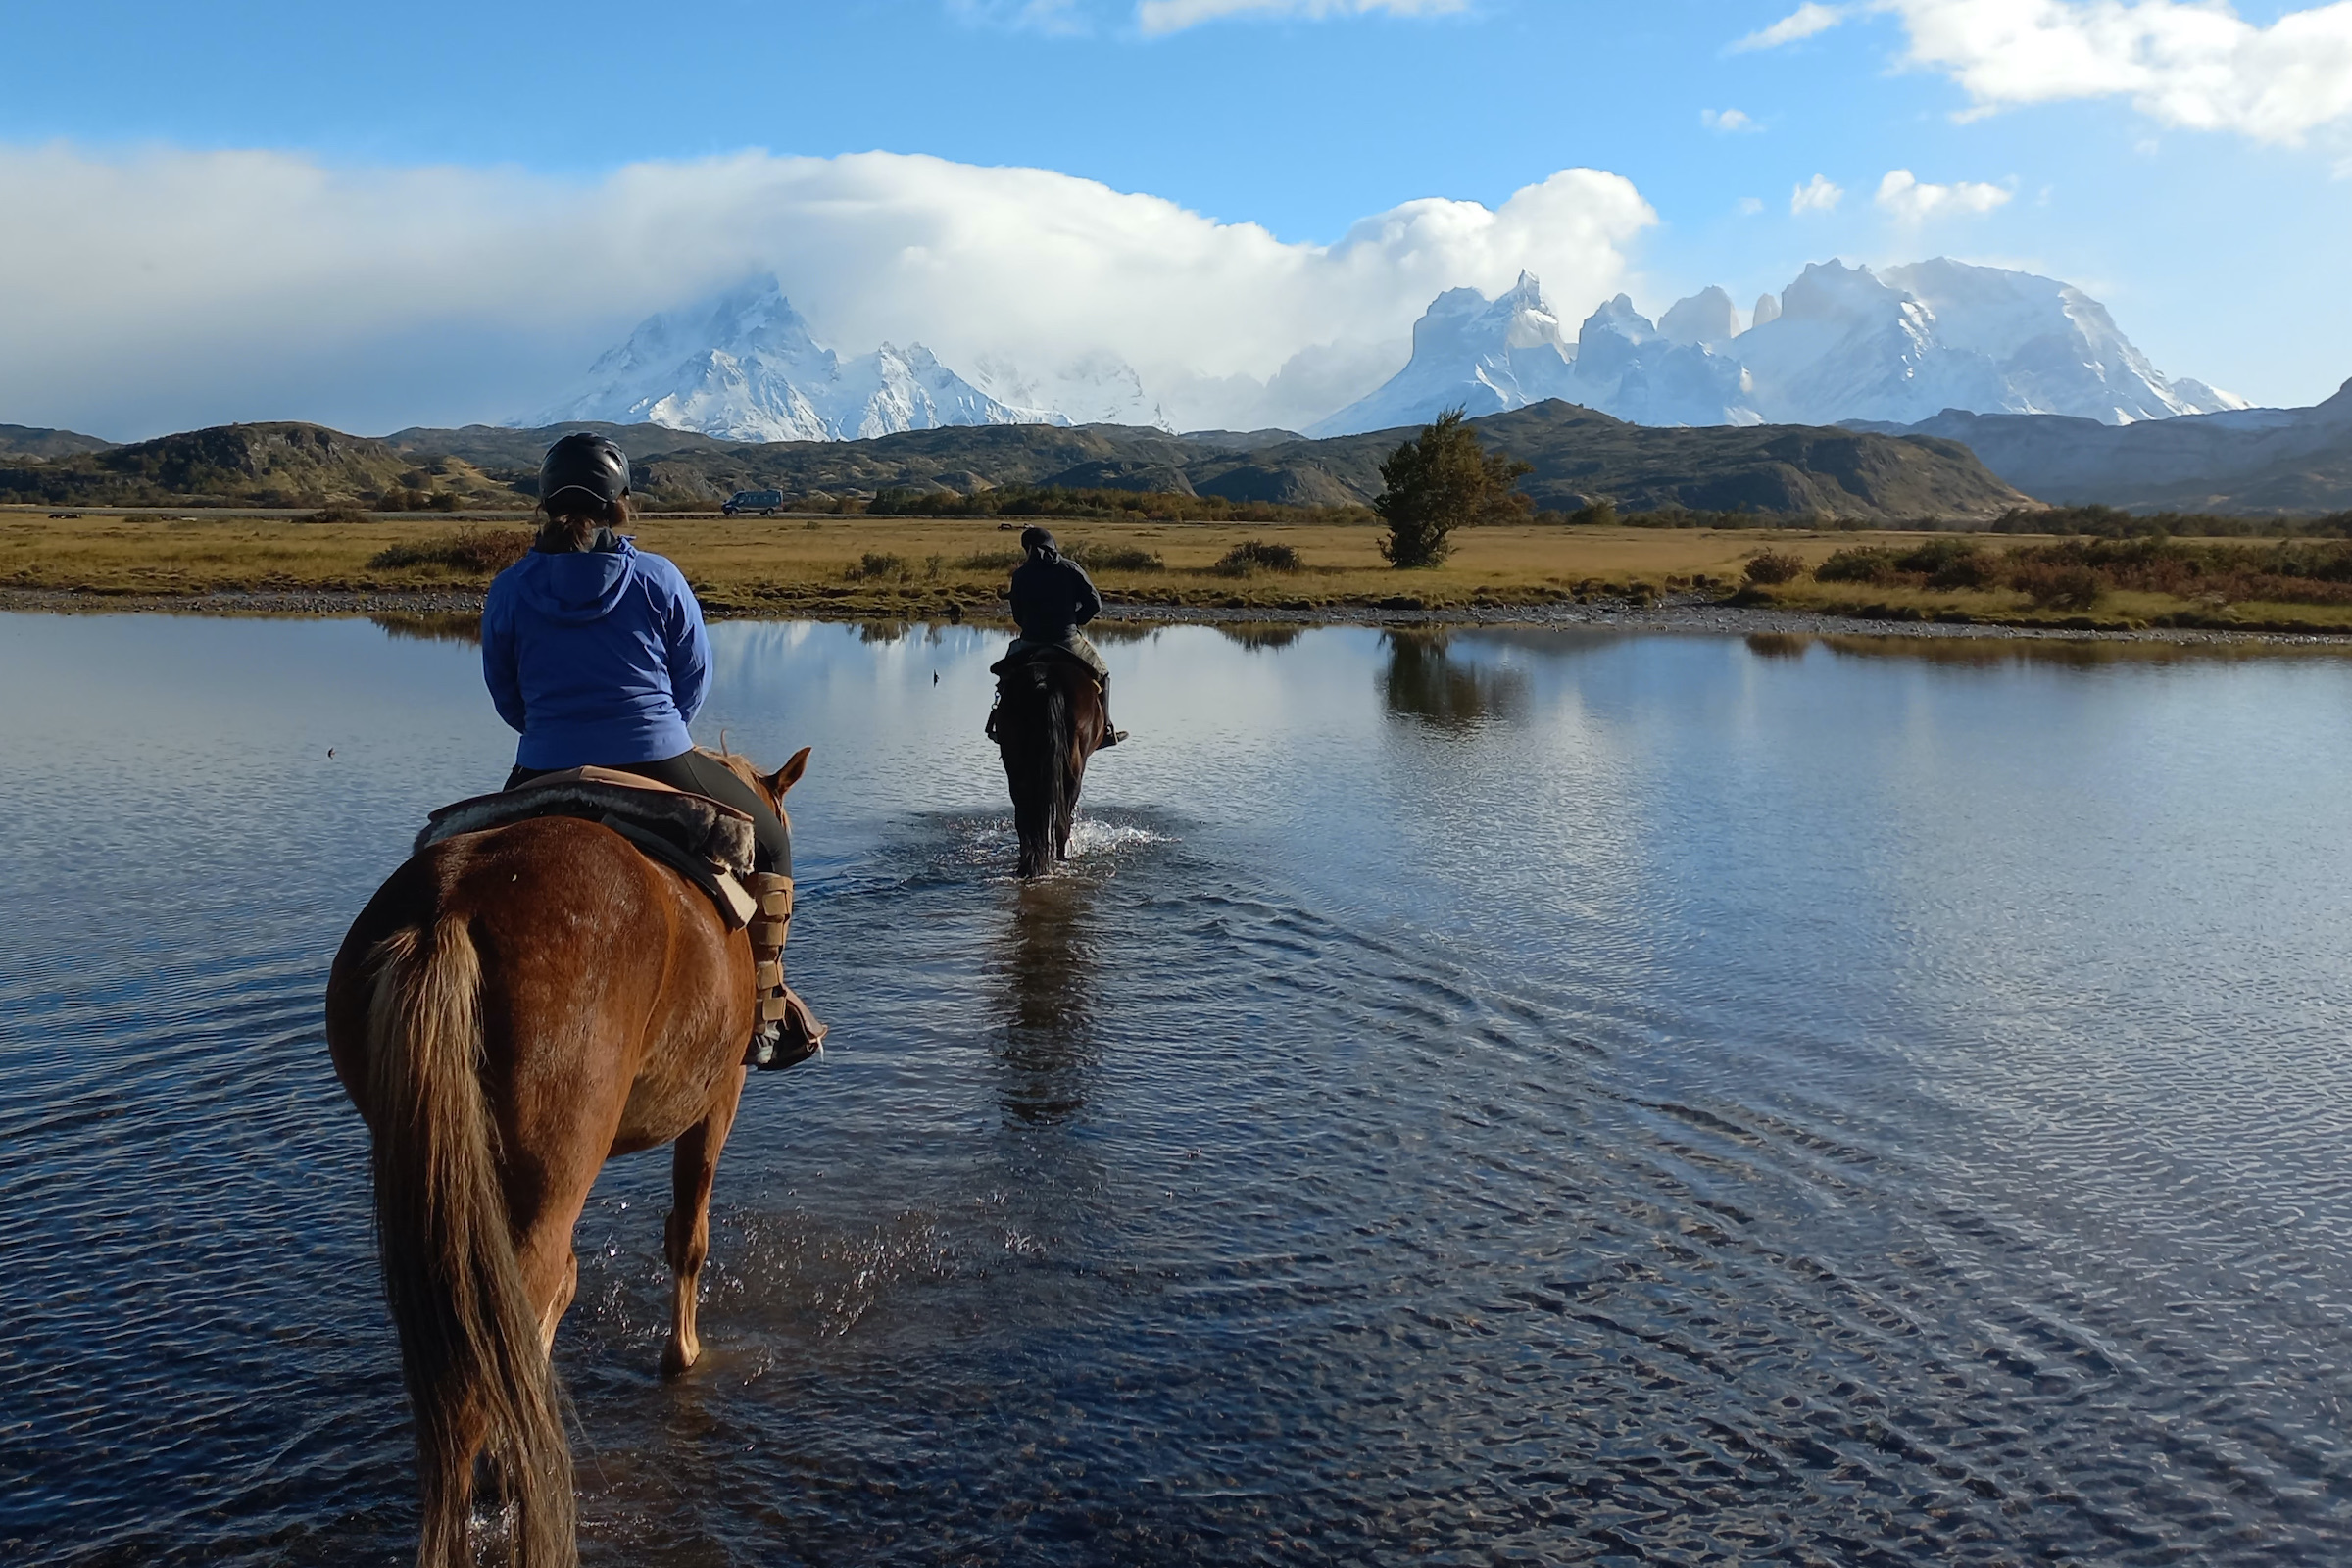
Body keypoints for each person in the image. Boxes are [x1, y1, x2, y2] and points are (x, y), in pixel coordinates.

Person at [481, 432, 790, 875]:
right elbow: (695, 676)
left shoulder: (509, 588)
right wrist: (658, 729)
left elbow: (505, 694)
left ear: (545, 501)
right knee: (772, 845)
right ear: (620, 501)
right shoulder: (658, 577)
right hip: (658, 757)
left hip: (543, 761)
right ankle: (768, 946)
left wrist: (553, 732)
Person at [1004, 525, 1126, 745]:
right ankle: (1106, 729)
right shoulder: (1070, 568)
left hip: (1030, 641)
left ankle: (997, 724)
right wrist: (1074, 621)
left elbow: (1018, 615)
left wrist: (1032, 626)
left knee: (1005, 676)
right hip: (1068, 641)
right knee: (1103, 673)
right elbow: (1094, 604)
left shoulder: (1021, 574)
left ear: (1028, 549)